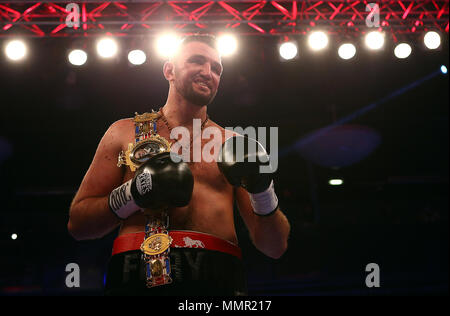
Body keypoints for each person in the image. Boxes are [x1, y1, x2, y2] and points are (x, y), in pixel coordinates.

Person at [67, 34, 290, 296]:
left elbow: (274, 247)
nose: (208, 72)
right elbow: (78, 225)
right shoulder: (124, 133)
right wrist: (133, 194)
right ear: (169, 70)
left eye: (216, 69)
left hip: (219, 278)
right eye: (197, 61)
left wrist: (262, 190)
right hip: (133, 274)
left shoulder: (235, 145)